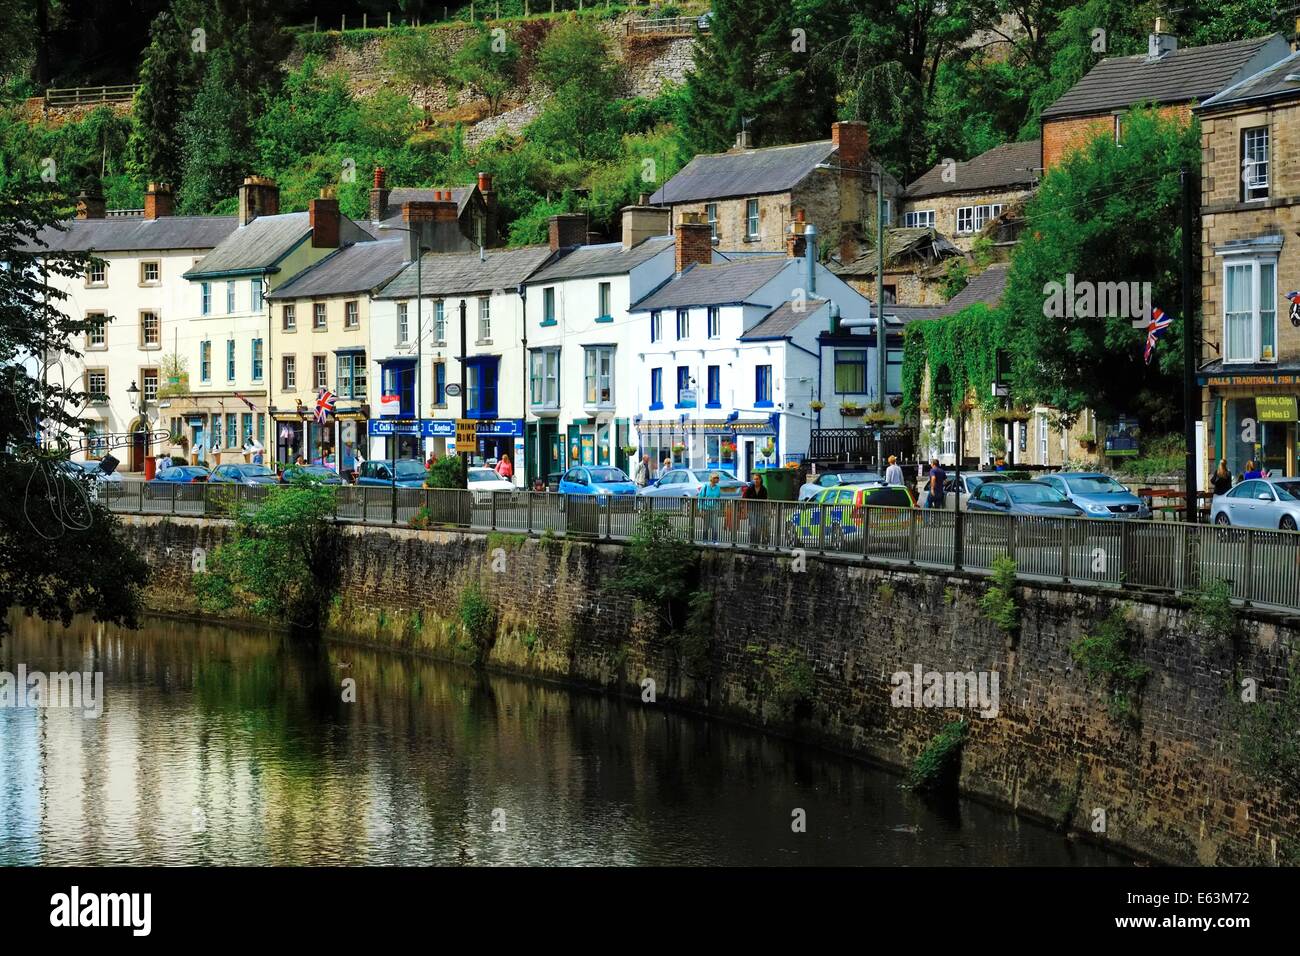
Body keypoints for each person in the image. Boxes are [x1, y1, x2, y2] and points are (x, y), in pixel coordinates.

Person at [741, 472, 769, 545]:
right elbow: (744, 499)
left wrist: (767, 511)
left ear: (760, 480)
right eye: (754, 479)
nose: (756, 480)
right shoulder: (749, 488)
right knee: (753, 527)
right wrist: (744, 510)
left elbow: (766, 500)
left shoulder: (763, 489)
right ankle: (752, 542)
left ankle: (757, 543)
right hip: (751, 510)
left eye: (757, 479)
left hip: (760, 511)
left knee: (758, 527)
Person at [698, 472, 723, 543]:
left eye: (718, 478)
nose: (717, 479)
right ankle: (705, 540)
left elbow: (718, 498)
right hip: (706, 509)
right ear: (711, 479)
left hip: (714, 509)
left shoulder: (718, 488)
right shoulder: (705, 487)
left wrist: (718, 507)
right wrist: (700, 509)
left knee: (715, 525)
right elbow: (700, 498)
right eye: (716, 478)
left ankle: (715, 540)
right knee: (706, 525)